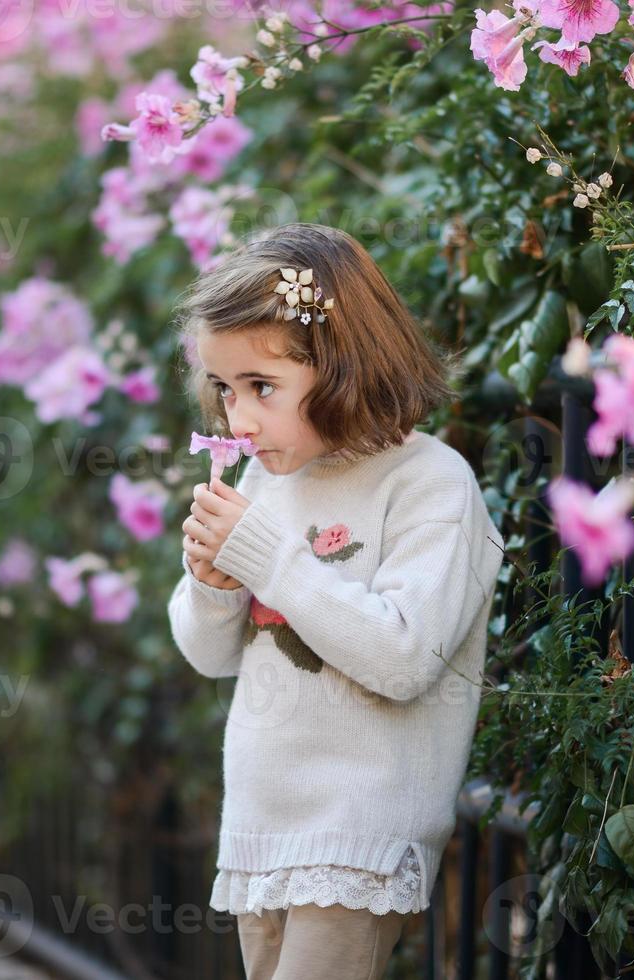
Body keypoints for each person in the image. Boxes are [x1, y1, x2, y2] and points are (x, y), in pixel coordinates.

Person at [166, 222, 505, 980]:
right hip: (263, 821)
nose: (237, 420)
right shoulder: (267, 479)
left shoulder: (429, 482)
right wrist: (213, 587)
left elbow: (402, 656)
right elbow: (210, 655)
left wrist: (263, 556)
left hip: (358, 828)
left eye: (261, 387)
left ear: (344, 366)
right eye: (224, 389)